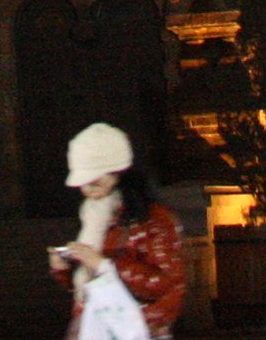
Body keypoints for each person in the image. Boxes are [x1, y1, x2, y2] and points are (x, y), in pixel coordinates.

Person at [49, 122, 185, 340]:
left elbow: (165, 283)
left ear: (117, 173)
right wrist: (65, 270)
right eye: (83, 183)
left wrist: (104, 265)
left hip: (137, 330)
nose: (87, 190)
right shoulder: (94, 215)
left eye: (94, 181)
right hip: (97, 328)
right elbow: (94, 289)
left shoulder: (155, 219)